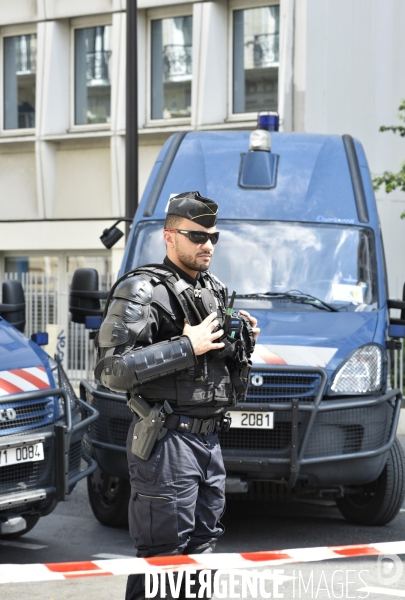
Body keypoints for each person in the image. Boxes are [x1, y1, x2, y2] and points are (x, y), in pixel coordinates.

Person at [95, 191, 259, 600]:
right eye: (196, 236)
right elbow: (110, 370)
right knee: (162, 562)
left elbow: (214, 366)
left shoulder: (214, 289)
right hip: (167, 440)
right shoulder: (141, 290)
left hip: (208, 440)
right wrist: (187, 346)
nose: (207, 245)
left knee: (201, 555)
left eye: (213, 237)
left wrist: (239, 340)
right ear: (170, 237)